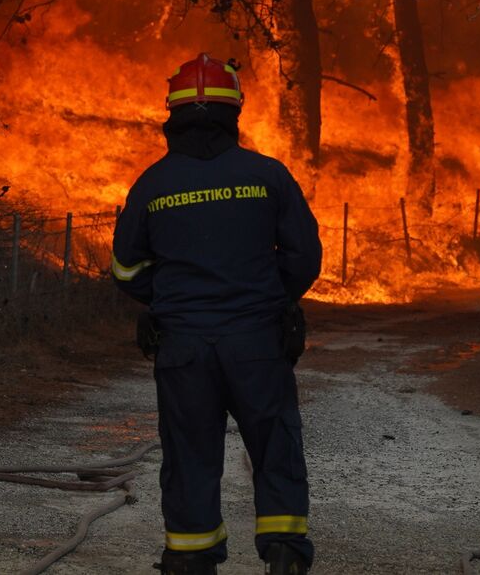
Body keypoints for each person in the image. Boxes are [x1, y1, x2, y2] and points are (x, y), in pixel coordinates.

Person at [110, 53, 322, 575]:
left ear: (172, 114)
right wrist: (272, 299)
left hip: (183, 347)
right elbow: (305, 258)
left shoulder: (153, 185)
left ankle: (191, 558)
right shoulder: (267, 175)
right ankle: (282, 552)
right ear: (234, 112)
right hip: (258, 344)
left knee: (188, 454)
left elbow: (124, 267)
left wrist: (166, 298)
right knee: (275, 445)